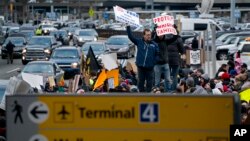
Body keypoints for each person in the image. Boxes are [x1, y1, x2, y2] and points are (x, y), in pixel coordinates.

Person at [126, 25, 159, 92]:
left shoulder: (154, 44)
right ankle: (141, 95)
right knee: (140, 82)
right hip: (141, 67)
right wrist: (128, 27)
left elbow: (157, 54)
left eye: (149, 35)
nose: (149, 36)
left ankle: (148, 95)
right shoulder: (139, 42)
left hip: (150, 67)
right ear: (144, 35)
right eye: (147, 35)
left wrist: (154, 62)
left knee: (150, 83)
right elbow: (131, 37)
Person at [166, 24, 185, 91]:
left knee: (167, 75)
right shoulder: (178, 38)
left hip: (166, 60)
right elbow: (182, 50)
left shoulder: (165, 36)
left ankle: (167, 90)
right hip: (175, 60)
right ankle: (174, 90)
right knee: (175, 76)